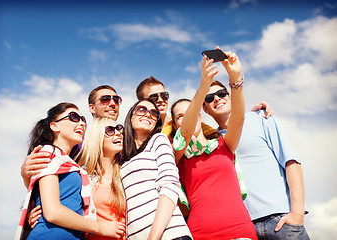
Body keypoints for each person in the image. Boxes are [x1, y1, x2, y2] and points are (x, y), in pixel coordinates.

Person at [202, 56, 309, 239]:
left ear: (229, 95)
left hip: (281, 220)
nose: (217, 99)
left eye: (221, 93)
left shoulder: (262, 118)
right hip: (243, 228)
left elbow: (291, 161)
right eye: (210, 97)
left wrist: (297, 213)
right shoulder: (211, 142)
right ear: (204, 109)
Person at [171, 51, 257, 240]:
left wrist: (235, 78)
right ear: (176, 125)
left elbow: (238, 117)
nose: (188, 117)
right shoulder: (176, 156)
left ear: (201, 116)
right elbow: (185, 134)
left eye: (191, 111)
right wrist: (203, 88)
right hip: (200, 233)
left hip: (240, 229)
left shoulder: (223, 144)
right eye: (181, 116)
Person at [15, 102, 123, 240]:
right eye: (74, 117)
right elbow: (52, 212)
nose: (82, 123)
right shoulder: (48, 153)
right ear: (54, 126)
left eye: (83, 119)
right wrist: (100, 227)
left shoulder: (70, 164)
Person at [21, 85, 122, 188]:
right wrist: (27, 175)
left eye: (116, 100)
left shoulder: (123, 139)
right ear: (92, 108)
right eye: (105, 99)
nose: (112, 103)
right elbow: (45, 172)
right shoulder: (76, 135)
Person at [120, 98, 192, 240]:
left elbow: (170, 186)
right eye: (142, 110)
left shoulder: (158, 140)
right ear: (130, 116)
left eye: (154, 113)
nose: (148, 114)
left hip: (169, 235)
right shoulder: (123, 158)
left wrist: (153, 238)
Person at [77, 117, 126, 240]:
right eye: (110, 130)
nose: (118, 133)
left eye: (119, 128)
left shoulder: (126, 173)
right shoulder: (81, 176)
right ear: (96, 136)